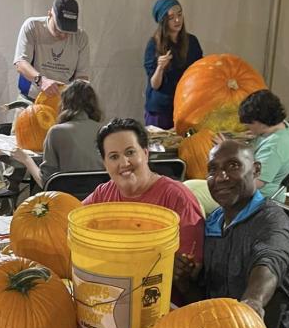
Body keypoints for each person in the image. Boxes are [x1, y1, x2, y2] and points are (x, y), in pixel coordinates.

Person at [175, 140, 289, 328]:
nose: (220, 177)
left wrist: (253, 301)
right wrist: (185, 282)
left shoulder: (273, 221)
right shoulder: (213, 223)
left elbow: (269, 261)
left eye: (233, 166)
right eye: (213, 169)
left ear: (255, 169)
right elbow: (211, 302)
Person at [84, 119, 205, 282]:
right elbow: (68, 224)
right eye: (114, 157)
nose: (124, 163)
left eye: (130, 152)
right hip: (107, 290)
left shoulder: (178, 197)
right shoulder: (102, 195)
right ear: (105, 164)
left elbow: (190, 271)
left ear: (146, 153)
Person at [10, 79, 104, 187]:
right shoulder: (104, 131)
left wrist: (26, 159)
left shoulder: (56, 132)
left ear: (64, 103)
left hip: (67, 199)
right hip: (101, 199)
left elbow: (46, 183)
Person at [143, 0, 203, 130]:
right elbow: (155, 84)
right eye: (171, 17)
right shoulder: (154, 45)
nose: (177, 20)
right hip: (161, 110)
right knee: (160, 148)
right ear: (163, 21)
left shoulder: (192, 41)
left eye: (180, 14)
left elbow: (200, 73)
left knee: (186, 146)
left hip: (186, 107)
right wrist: (160, 68)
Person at [14, 0, 90, 100]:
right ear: (50, 14)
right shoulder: (32, 27)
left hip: (62, 102)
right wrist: (41, 81)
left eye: (68, 32)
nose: (63, 35)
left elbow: (82, 76)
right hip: (31, 99)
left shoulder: (81, 37)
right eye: (59, 29)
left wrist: (76, 98)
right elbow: (21, 63)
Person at [237, 89, 289, 202]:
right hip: (248, 188)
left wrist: (229, 155)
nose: (247, 126)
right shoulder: (282, 125)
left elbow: (254, 184)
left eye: (250, 123)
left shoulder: (274, 148)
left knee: (197, 198)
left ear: (261, 122)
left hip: (256, 200)